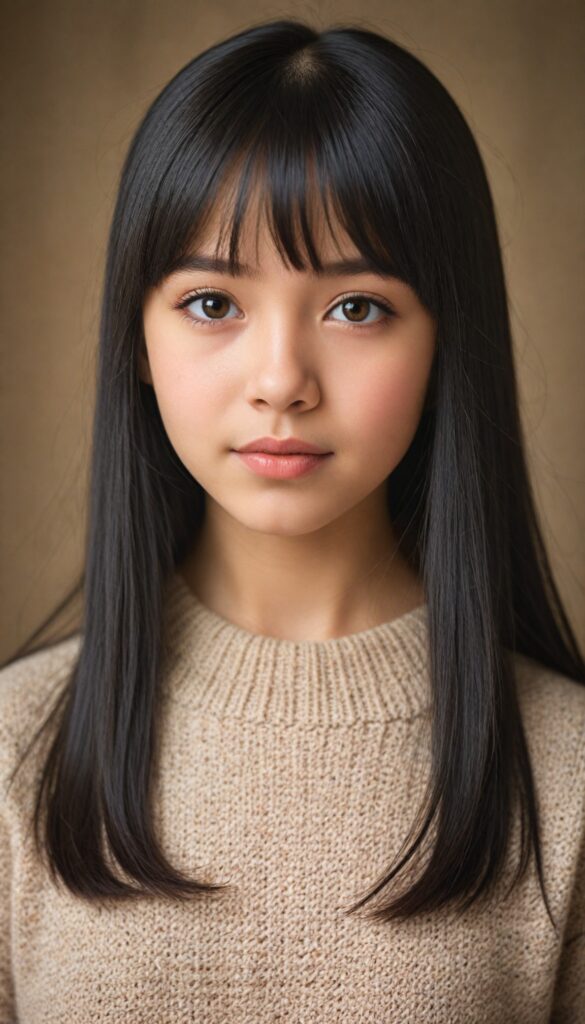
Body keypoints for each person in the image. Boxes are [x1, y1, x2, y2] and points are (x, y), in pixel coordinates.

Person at [1, 17, 584, 1024]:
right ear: (135, 337)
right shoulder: (14, 756)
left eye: (356, 307)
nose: (280, 382)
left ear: (449, 340)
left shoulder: (568, 775)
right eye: (212, 302)